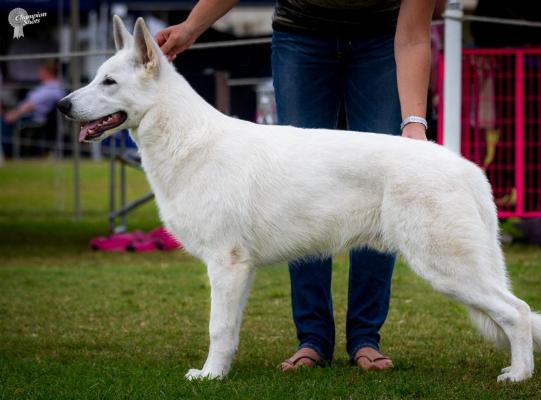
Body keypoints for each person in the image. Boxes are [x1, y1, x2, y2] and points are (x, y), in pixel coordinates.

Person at [156, 0, 434, 372]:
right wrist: (191, 26)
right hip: (301, 38)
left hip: (382, 41)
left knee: (377, 189)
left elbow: (414, 37)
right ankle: (313, 339)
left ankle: (366, 338)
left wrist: (414, 122)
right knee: (295, 191)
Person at [1, 60, 64, 156]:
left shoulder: (50, 88)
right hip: (34, 117)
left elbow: (29, 106)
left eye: (40, 71)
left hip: (35, 119)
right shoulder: (55, 86)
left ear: (47, 72)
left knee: (3, 123)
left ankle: (7, 153)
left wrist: (11, 116)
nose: (38, 73)